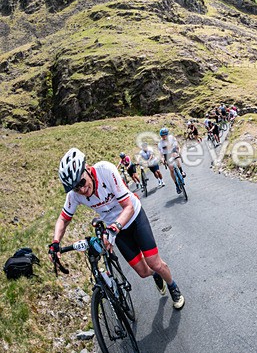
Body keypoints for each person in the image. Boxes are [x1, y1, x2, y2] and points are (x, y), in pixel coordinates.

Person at [49, 148, 184, 309]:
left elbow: (128, 207)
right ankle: (155, 274)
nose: (82, 190)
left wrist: (114, 228)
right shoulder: (74, 195)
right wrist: (55, 242)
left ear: (87, 168)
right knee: (143, 272)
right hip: (117, 230)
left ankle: (172, 286)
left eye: (82, 183)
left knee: (155, 263)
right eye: (76, 188)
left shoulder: (105, 171)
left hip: (134, 218)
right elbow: (63, 219)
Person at [157, 128, 186, 194]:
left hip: (173, 151)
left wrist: (179, 152)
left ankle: (181, 171)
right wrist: (162, 160)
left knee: (176, 155)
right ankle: (177, 185)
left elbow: (177, 146)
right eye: (162, 136)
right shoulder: (160, 143)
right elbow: (160, 154)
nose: (163, 137)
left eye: (164, 135)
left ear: (167, 134)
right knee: (171, 169)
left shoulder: (171, 138)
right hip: (166, 155)